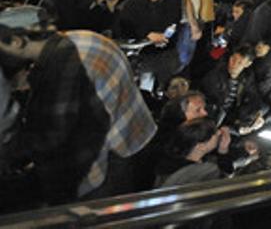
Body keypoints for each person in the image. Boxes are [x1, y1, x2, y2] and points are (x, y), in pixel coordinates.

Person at [0, 13, 155, 204]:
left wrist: (10, 151)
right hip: (134, 133)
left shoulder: (64, 66)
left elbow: (52, 135)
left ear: (17, 41)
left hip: (111, 158)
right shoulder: (83, 37)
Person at [116, 0, 185, 90]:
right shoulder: (133, 3)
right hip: (142, 53)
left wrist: (162, 37)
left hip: (165, 52)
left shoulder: (174, 1)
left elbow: (174, 23)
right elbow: (126, 26)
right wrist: (147, 34)